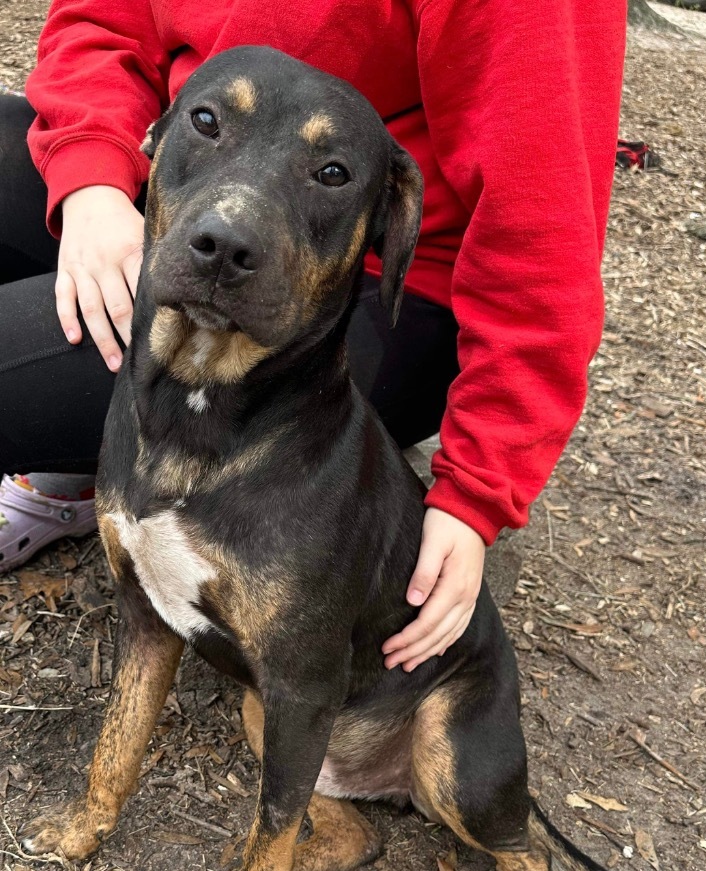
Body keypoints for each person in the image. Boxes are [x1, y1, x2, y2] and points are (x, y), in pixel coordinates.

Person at [0, 0, 626, 672]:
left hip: (368, 283)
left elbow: (542, 239)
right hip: (182, 182)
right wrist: (91, 181)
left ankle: (84, 449)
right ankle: (88, 459)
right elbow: (103, 23)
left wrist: (476, 491)